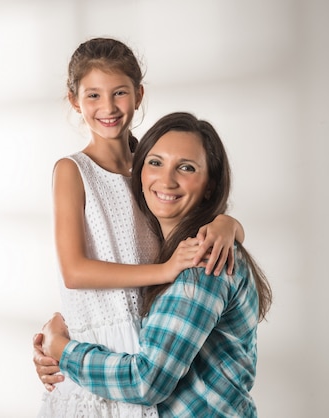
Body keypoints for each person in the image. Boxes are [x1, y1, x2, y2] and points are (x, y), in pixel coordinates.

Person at [36, 38, 246, 417]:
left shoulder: (150, 167)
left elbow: (193, 217)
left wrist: (229, 224)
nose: (108, 107)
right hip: (103, 340)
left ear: (138, 95)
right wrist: (57, 339)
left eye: (119, 93)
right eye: (93, 95)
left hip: (148, 336)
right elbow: (74, 270)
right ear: (74, 101)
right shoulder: (73, 170)